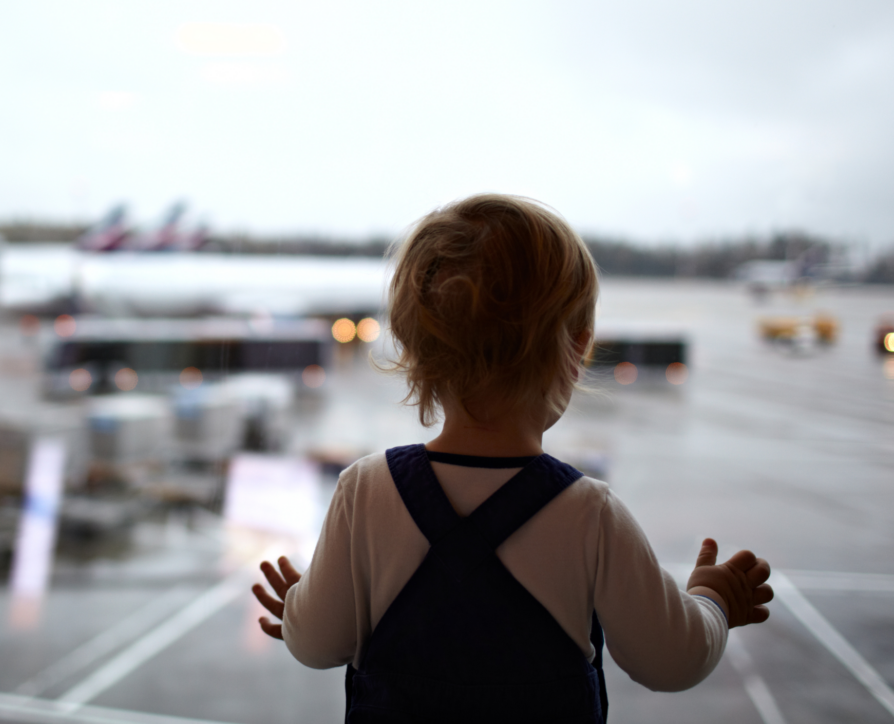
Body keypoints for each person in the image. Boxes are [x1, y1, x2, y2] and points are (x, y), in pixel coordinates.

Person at [252, 194, 773, 723]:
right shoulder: (589, 514)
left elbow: (317, 644)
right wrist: (713, 602)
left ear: (412, 349)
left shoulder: (366, 490)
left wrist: (299, 606)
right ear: (578, 351)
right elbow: (671, 661)